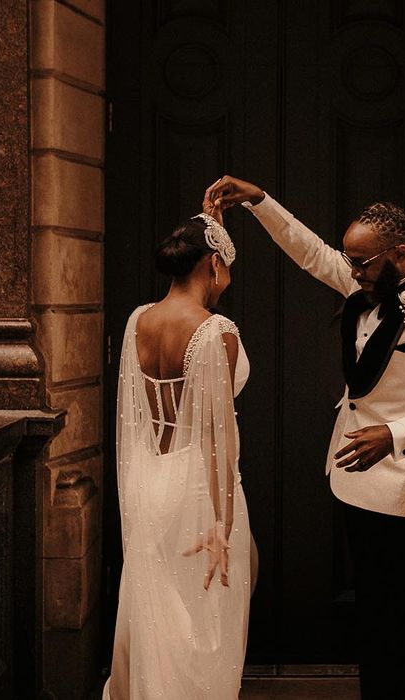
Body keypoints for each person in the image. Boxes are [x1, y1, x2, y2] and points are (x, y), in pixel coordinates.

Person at [207, 175, 405, 700]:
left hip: (403, 485)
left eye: (361, 262)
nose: (350, 271)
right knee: (372, 612)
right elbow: (310, 251)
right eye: (350, 261)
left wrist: (395, 433)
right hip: (352, 474)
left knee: (395, 618)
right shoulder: (365, 285)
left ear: (399, 254)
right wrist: (260, 201)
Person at [103, 204, 253, 699]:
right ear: (212, 264)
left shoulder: (137, 322)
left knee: (157, 612)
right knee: (205, 619)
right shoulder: (217, 331)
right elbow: (218, 436)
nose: (228, 278)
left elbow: (133, 415)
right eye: (226, 265)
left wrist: (210, 222)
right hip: (198, 489)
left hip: (151, 480)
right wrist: (223, 524)